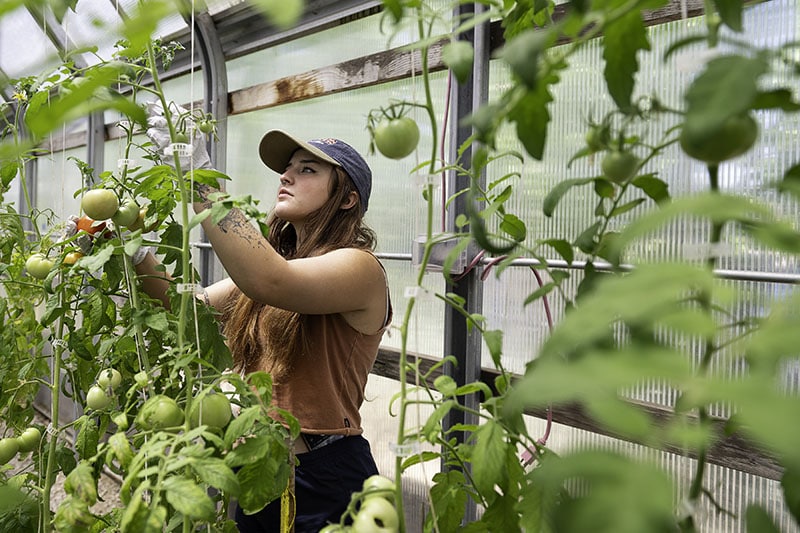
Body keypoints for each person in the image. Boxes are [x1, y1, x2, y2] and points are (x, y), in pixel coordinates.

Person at [139, 104, 393, 532]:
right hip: (260, 469)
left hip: (324, 475)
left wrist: (200, 176)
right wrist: (134, 251)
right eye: (287, 168)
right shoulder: (279, 267)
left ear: (347, 198)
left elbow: (271, 280)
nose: (286, 176)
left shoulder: (358, 267)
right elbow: (190, 307)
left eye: (308, 170)